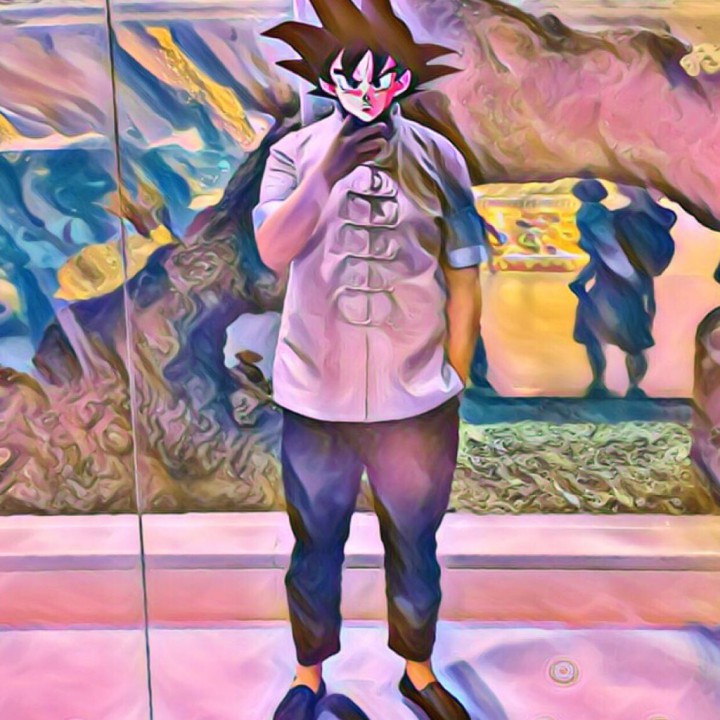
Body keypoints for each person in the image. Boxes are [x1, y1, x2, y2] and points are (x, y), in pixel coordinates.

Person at [254, 1, 485, 718]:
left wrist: (454, 370)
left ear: (403, 79)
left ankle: (418, 671)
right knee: (314, 544)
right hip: (314, 394)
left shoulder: (440, 157)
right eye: (349, 75)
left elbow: (465, 272)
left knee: (415, 542)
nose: (366, 89)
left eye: (382, 74)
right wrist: (325, 172)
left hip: (416, 398)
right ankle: (308, 677)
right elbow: (273, 249)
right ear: (328, 79)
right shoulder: (293, 154)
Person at [569, 180, 670, 398]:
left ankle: (605, 384)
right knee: (629, 342)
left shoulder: (610, 219)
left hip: (616, 288)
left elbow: (605, 253)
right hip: (622, 288)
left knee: (611, 339)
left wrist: (583, 279)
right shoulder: (615, 218)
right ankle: (625, 386)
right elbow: (603, 254)